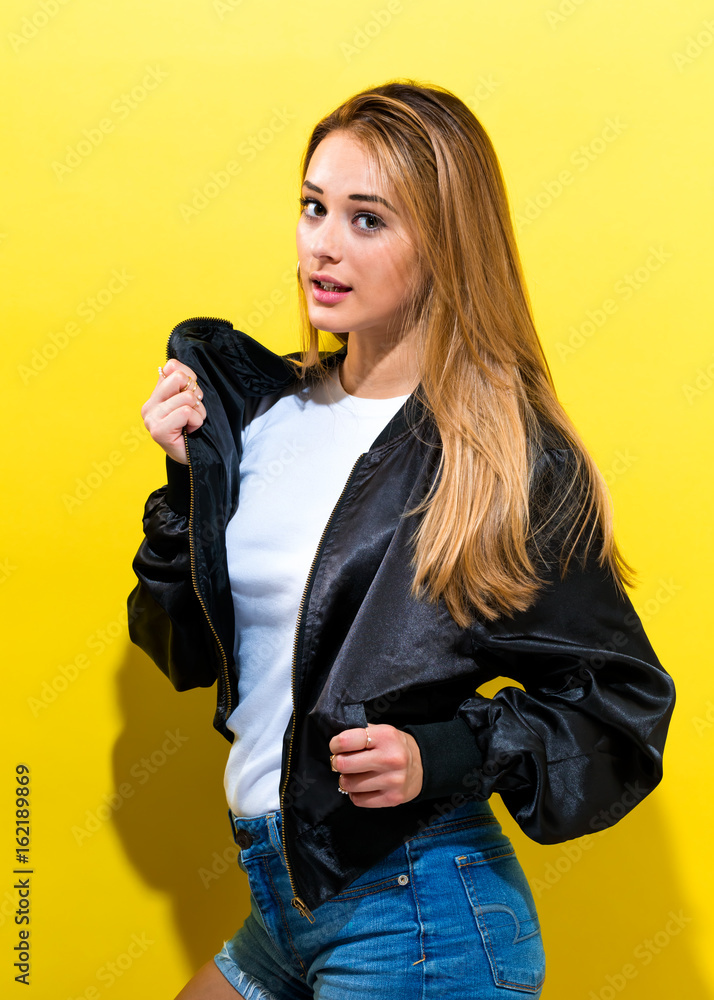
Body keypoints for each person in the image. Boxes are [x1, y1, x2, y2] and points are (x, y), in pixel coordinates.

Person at [128, 81, 676, 999]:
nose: (324, 245)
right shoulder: (263, 417)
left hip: (419, 912)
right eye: (314, 207)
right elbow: (182, 652)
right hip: (284, 898)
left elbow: (619, 703)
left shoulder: (497, 459)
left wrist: (447, 752)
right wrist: (187, 485)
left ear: (446, 246)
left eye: (368, 220)